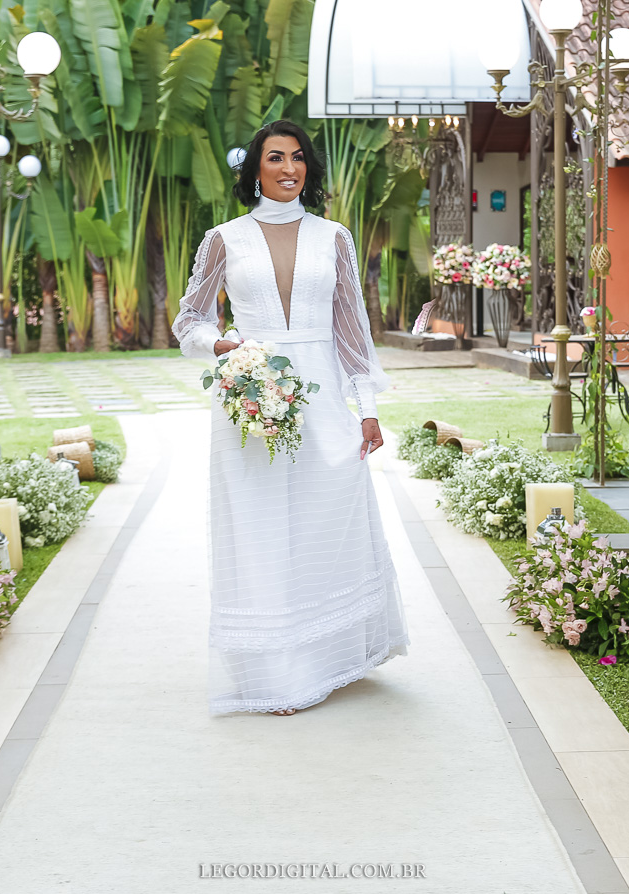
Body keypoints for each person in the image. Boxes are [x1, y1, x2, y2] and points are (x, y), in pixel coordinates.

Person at [172, 120, 410, 716]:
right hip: (249, 395)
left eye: (298, 158)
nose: (288, 167)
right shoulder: (223, 238)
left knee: (325, 520)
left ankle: (327, 658)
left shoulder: (335, 238)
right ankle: (274, 669)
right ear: (254, 168)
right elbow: (189, 322)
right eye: (275, 157)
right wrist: (222, 345)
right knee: (258, 527)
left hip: (324, 396)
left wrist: (368, 411)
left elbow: (352, 330)